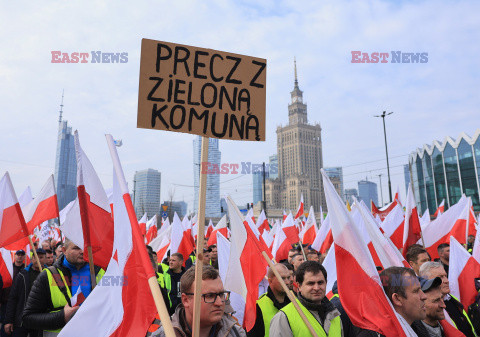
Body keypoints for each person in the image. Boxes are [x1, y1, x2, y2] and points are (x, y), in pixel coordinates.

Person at [22, 238, 105, 336]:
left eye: (85, 247)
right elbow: (28, 318)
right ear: (64, 250)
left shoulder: (103, 271)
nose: (83, 251)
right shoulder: (47, 276)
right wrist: (62, 317)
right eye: (76, 248)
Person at [151, 265, 246, 337]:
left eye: (221, 294)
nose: (219, 302)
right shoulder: (164, 334)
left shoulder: (236, 333)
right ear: (185, 300)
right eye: (209, 296)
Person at [270, 261, 347, 336]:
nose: (316, 288)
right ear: (299, 286)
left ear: (326, 283)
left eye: (320, 282)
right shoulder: (283, 318)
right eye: (311, 283)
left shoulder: (335, 314)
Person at [419, 261, 476, 337]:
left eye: (445, 276)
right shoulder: (427, 310)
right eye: (440, 277)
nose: (446, 281)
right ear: (427, 281)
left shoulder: (451, 299)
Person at [4, 249, 47, 337]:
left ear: (45, 259)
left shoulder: (50, 274)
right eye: (36, 257)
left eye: (41, 257)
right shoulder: (22, 274)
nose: (38, 260)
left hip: (40, 319)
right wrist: (9, 320)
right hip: (22, 318)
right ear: (32, 258)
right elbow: (13, 298)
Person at [247, 264, 291, 337]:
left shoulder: (295, 303)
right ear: (270, 281)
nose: (287, 282)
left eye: (288, 278)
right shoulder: (258, 307)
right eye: (282, 278)